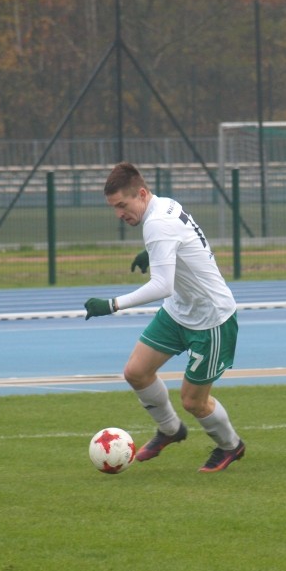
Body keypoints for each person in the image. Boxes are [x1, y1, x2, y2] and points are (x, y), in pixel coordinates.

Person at [83, 162, 245, 473]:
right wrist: (156, 253)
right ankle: (171, 429)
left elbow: (162, 286)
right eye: (114, 207)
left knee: (194, 402)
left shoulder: (157, 223)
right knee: (136, 372)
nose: (118, 214)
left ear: (142, 194)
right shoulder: (164, 205)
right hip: (179, 310)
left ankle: (231, 445)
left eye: (122, 205)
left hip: (211, 319)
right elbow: (187, 238)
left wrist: (112, 305)